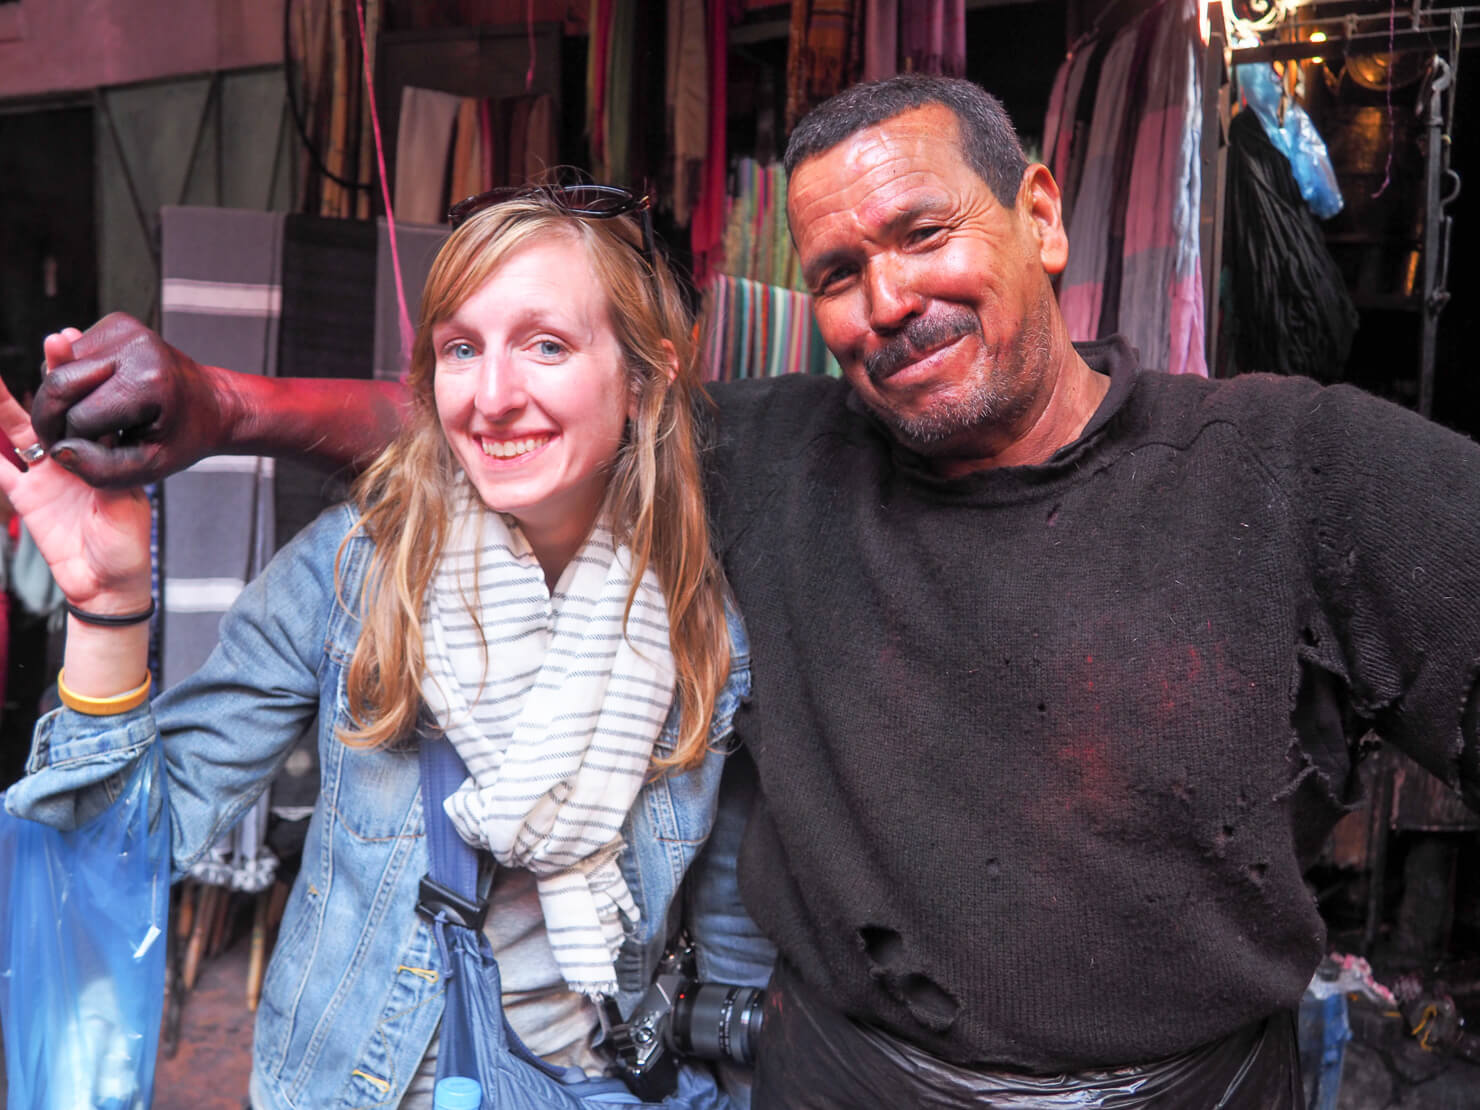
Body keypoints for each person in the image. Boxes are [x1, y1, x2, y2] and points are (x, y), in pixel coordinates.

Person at [26, 74, 1480, 1105]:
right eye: (837, 268)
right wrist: (215, 425)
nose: (885, 298)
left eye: (923, 233)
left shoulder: (1295, 467)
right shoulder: (757, 472)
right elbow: (497, 441)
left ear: (1042, 213)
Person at [3, 187, 772, 1109]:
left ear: (645, 377)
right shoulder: (357, 573)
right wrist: (108, 607)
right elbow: (121, 847)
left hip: (597, 1085)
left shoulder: (704, 625)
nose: (491, 398)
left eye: (546, 345)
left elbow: (733, 927)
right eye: (460, 348)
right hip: (357, 1087)